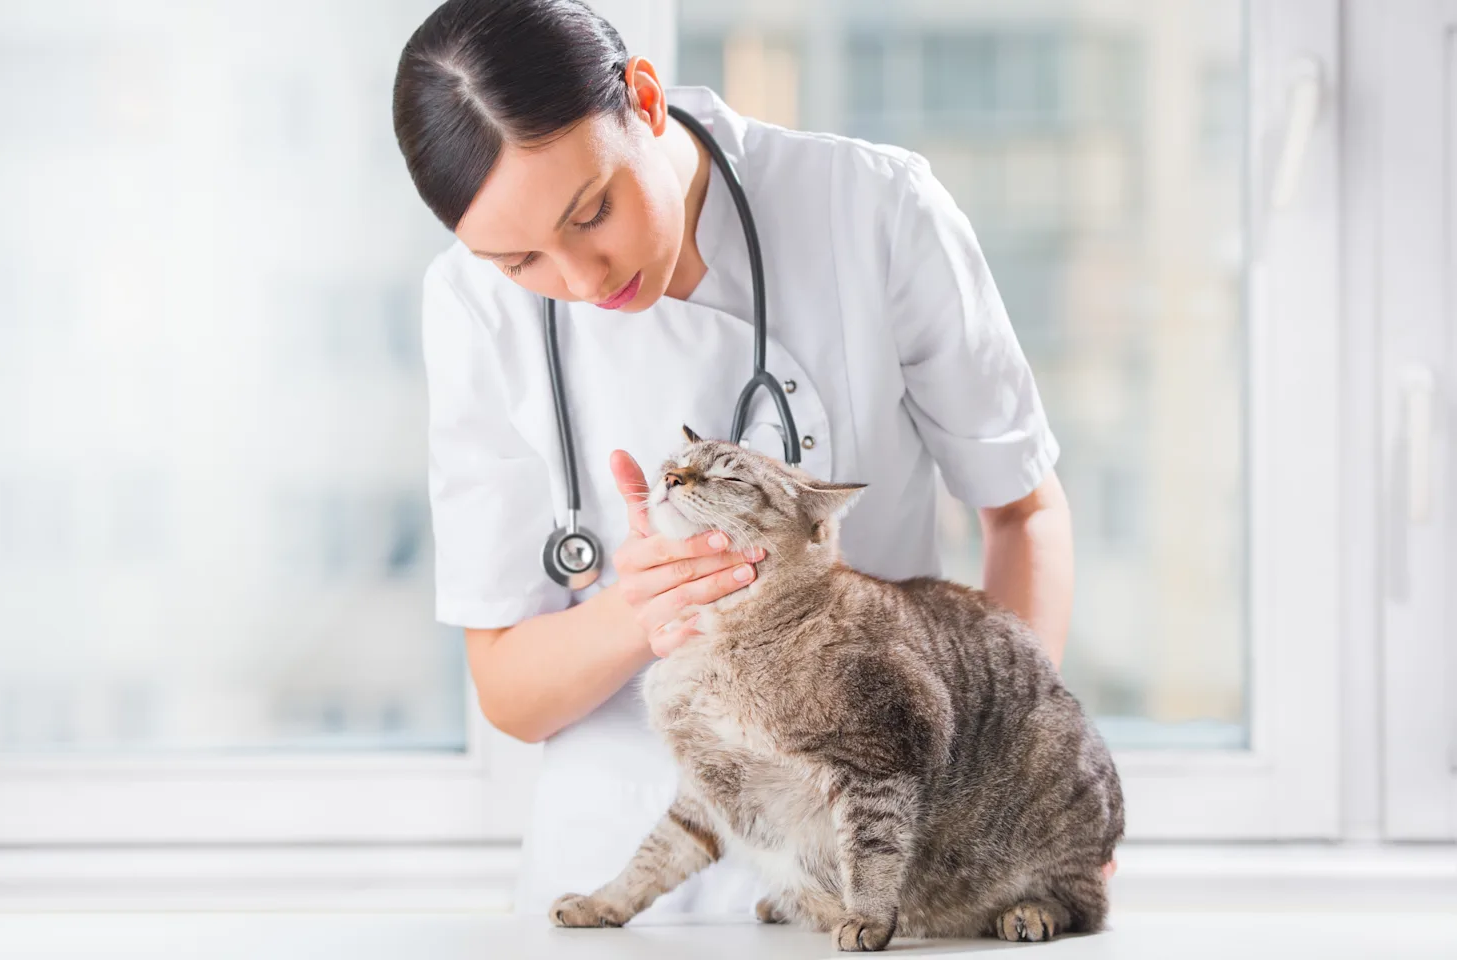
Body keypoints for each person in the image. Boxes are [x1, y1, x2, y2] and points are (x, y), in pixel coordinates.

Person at [392, 0, 1097, 920]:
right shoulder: (468, 309)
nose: (582, 280)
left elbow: (1022, 510)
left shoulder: (871, 207)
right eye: (521, 259)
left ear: (643, 98)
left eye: (593, 211)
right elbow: (509, 692)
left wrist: (1012, 791)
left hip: (887, 865)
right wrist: (639, 611)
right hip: (623, 887)